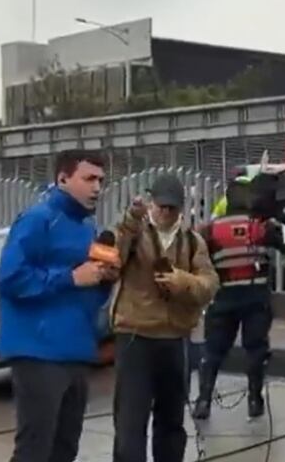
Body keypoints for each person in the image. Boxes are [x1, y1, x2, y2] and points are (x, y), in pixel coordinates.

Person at [0, 150, 118, 462]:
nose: (97, 188)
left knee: (65, 450)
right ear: (62, 179)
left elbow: (90, 296)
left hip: (76, 351)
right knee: (34, 449)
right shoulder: (38, 219)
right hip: (38, 352)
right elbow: (11, 278)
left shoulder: (88, 229)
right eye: (89, 178)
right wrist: (71, 278)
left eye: (101, 180)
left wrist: (104, 280)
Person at [110, 172, 218, 462]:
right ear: (150, 203)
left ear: (182, 208)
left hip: (175, 339)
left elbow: (209, 285)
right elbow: (112, 262)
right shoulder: (134, 235)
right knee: (130, 423)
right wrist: (129, 223)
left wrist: (181, 281)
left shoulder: (193, 242)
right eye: (161, 206)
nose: (166, 213)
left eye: (172, 208)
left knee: (171, 422)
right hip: (135, 336)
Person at [192, 173, 285, 420]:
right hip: (255, 298)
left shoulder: (211, 229)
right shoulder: (260, 225)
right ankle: (255, 400)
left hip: (223, 297)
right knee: (255, 349)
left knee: (213, 350)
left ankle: (203, 401)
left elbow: (195, 255)